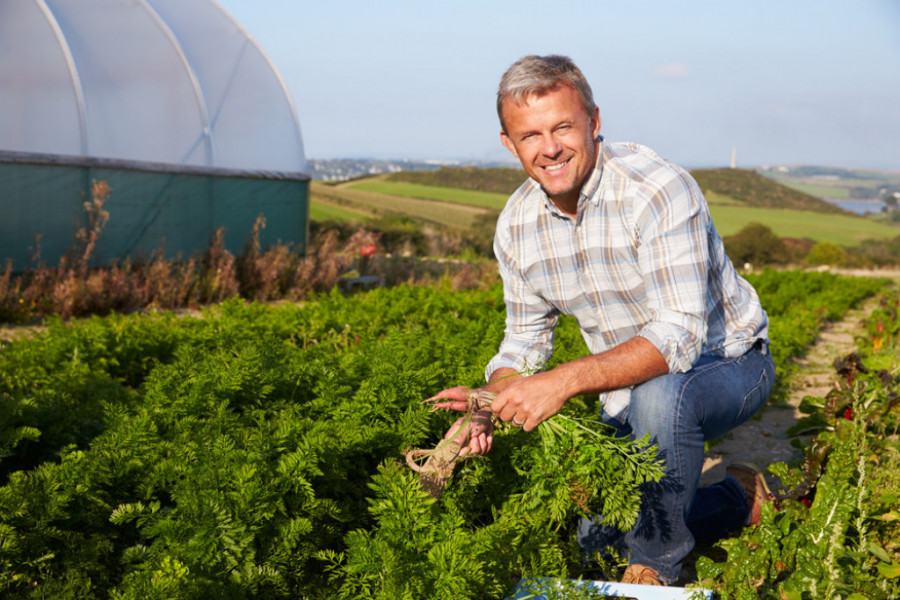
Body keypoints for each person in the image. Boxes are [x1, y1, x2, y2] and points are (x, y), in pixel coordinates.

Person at [428, 54, 775, 586]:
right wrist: (489, 401)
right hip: (628, 391)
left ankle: (656, 572)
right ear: (508, 143)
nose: (549, 148)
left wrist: (562, 383)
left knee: (663, 396)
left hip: (727, 364)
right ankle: (737, 500)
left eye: (563, 126)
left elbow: (678, 337)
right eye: (530, 135)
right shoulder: (517, 226)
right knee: (596, 543)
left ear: (593, 121)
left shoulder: (656, 189)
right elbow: (523, 341)